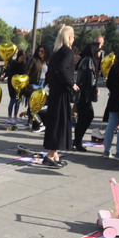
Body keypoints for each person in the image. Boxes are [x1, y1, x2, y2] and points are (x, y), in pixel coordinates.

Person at [42, 26, 77, 168]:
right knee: (59, 123)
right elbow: (63, 70)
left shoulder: (56, 52)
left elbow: (49, 73)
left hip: (55, 92)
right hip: (62, 93)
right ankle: (50, 154)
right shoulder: (68, 52)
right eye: (73, 36)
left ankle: (54, 155)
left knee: (55, 122)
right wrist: (71, 84)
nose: (74, 38)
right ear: (69, 37)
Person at [73, 42, 101, 151]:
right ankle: (77, 141)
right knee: (86, 117)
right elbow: (89, 80)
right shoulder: (89, 61)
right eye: (98, 50)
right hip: (85, 95)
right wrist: (93, 90)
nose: (100, 52)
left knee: (85, 117)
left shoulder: (86, 60)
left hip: (84, 94)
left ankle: (77, 140)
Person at [5, 51, 28, 125]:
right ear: (18, 57)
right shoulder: (13, 64)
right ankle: (9, 117)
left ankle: (15, 116)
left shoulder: (23, 64)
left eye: (24, 58)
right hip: (13, 85)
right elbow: (10, 76)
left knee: (18, 101)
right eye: (21, 58)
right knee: (13, 100)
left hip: (21, 86)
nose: (23, 59)